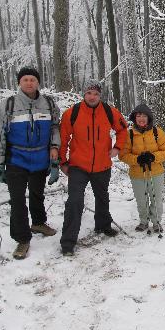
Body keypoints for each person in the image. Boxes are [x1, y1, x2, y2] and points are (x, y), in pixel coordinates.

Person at [0, 67, 61, 260]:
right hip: (16, 159)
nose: (29, 83)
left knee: (37, 193)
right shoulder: (8, 105)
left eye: (33, 80)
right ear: (19, 83)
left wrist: (55, 151)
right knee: (18, 200)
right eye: (25, 80)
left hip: (40, 158)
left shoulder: (49, 103)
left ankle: (38, 222)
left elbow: (55, 127)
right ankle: (22, 239)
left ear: (38, 82)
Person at [59, 79, 128, 256]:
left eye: (96, 94)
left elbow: (122, 130)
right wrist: (63, 162)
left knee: (102, 196)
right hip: (78, 166)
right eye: (89, 93)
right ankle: (68, 243)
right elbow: (63, 139)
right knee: (75, 201)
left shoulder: (109, 111)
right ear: (84, 94)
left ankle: (103, 226)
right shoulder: (71, 113)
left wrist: (117, 148)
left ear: (100, 95)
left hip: (102, 164)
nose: (92, 97)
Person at [119, 104, 165, 234]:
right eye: (138, 116)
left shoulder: (157, 132)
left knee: (155, 199)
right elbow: (123, 155)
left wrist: (153, 157)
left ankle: (156, 222)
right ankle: (143, 221)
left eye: (144, 116)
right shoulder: (129, 134)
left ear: (149, 118)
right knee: (141, 199)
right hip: (137, 174)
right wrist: (137, 159)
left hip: (156, 172)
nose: (141, 118)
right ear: (134, 118)